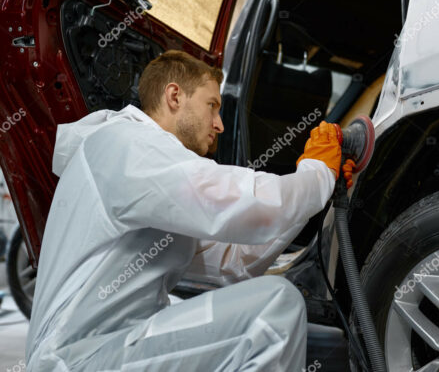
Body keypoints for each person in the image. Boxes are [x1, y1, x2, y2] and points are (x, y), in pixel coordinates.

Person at [25, 50, 362, 371]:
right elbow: (244, 199)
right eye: (212, 106)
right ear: (175, 97)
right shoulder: (127, 146)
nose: (220, 125)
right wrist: (317, 172)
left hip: (110, 349)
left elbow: (231, 265)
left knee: (317, 339)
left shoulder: (145, 177)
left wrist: (316, 193)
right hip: (76, 358)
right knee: (275, 308)